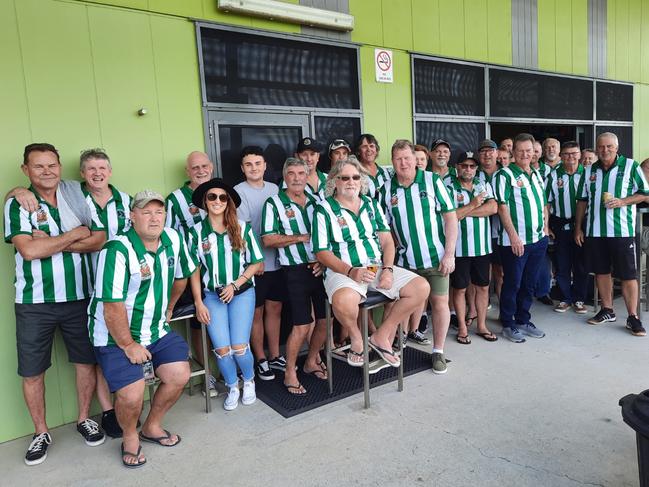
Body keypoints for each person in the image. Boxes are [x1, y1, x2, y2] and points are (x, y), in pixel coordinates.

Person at [5, 143, 107, 466]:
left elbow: (99, 238)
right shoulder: (17, 204)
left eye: (52, 165)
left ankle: (82, 419)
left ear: (60, 166)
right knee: (33, 371)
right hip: (35, 302)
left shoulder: (76, 194)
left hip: (79, 296)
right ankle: (40, 432)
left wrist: (49, 242)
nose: (47, 171)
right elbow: (29, 251)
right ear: (26, 170)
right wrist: (74, 234)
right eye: (39, 166)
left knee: (85, 362)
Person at [89, 190, 196, 468]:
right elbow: (111, 307)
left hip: (155, 330)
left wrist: (169, 308)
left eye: (158, 211)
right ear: (132, 216)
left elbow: (181, 277)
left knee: (178, 374)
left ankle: (152, 426)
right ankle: (130, 437)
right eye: (146, 212)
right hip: (115, 336)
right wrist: (128, 345)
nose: (154, 218)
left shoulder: (172, 238)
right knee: (132, 393)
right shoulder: (117, 249)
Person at [312, 157, 430, 369]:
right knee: (344, 300)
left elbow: (386, 240)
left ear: (361, 180)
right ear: (334, 182)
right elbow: (321, 252)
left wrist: (387, 269)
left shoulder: (370, 204)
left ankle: (381, 336)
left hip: (375, 268)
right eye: (344, 177)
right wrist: (350, 271)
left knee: (420, 287)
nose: (351, 181)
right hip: (343, 272)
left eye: (355, 177)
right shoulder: (324, 209)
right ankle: (357, 339)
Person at [379, 140, 457, 373]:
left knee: (440, 304)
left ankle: (438, 352)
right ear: (392, 162)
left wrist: (450, 253)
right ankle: (395, 346)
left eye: (407, 158)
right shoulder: (385, 190)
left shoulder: (433, 181)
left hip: (436, 258)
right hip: (404, 262)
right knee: (397, 305)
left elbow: (450, 217)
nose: (403, 163)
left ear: (415, 159)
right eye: (398, 159)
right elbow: (384, 229)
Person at [188, 179, 263, 410]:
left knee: (240, 347)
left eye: (222, 197)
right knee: (221, 348)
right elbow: (194, 269)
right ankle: (232, 386)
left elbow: (256, 262)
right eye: (212, 197)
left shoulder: (241, 227)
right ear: (205, 201)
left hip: (241, 293)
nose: (217, 201)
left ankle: (248, 380)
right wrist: (199, 302)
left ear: (228, 201)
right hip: (212, 296)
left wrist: (235, 284)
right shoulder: (195, 233)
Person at [261, 158, 328, 394]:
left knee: (324, 320)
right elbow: (268, 239)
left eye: (302, 173)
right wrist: (302, 237)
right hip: (294, 270)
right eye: (292, 173)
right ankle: (290, 371)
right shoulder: (274, 203)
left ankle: (311, 361)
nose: (297, 178)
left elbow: (328, 233)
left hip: (320, 267)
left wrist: (323, 259)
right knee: (301, 325)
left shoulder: (316, 201)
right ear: (285, 176)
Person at [575, 132, 649, 336]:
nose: (605, 150)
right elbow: (582, 200)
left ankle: (632, 317)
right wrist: (578, 227)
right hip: (595, 232)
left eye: (609, 146)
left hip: (622, 232)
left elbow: (644, 192)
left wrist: (623, 201)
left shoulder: (631, 166)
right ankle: (607, 310)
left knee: (628, 275)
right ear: (596, 148)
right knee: (601, 272)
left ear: (617, 148)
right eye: (601, 147)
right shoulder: (589, 170)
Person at [165, 151, 217, 396]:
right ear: (187, 171)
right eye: (194, 167)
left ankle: (235, 370)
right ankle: (207, 376)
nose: (200, 170)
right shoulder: (175, 200)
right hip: (191, 273)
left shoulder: (221, 191)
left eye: (204, 166)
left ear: (212, 167)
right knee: (200, 325)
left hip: (223, 271)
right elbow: (167, 237)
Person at [234, 146, 285, 380]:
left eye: (258, 163)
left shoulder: (275, 189)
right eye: (248, 164)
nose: (254, 168)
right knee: (256, 313)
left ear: (265, 166)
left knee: (275, 309)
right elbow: (242, 230)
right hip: (255, 264)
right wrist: (257, 259)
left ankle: (275, 355)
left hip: (278, 261)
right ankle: (261, 358)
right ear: (242, 168)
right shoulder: (238, 192)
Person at [493, 133, 549, 343]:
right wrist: (514, 236)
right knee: (513, 284)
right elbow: (502, 206)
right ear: (513, 152)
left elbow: (543, 204)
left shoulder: (535, 174)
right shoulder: (504, 175)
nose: (526, 154)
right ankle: (508, 323)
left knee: (530, 284)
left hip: (537, 240)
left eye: (529, 150)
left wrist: (545, 228)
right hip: (515, 242)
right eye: (521, 151)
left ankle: (523, 320)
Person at [447, 154, 498, 344]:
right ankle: (461, 327)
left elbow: (492, 208)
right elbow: (448, 216)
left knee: (483, 288)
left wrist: (464, 212)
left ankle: (482, 326)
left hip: (482, 248)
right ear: (457, 167)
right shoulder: (448, 186)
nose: (468, 169)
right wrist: (474, 205)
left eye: (472, 166)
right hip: (459, 249)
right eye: (464, 166)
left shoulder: (482, 184)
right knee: (459, 289)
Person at [546, 141, 587, 314]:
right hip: (560, 225)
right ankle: (565, 298)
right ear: (561, 156)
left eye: (574, 153)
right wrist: (546, 226)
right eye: (567, 154)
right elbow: (546, 203)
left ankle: (579, 299)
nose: (570, 157)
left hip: (582, 226)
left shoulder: (587, 174)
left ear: (579, 155)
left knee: (581, 264)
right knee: (562, 263)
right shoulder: (553, 175)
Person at [477, 140, 504, 302]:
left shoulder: (505, 173)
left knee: (500, 271)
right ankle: (482, 304)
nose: (487, 154)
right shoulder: (473, 173)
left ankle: (503, 304)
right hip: (479, 232)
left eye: (490, 150)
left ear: (497, 153)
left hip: (501, 231)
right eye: (483, 151)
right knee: (482, 272)